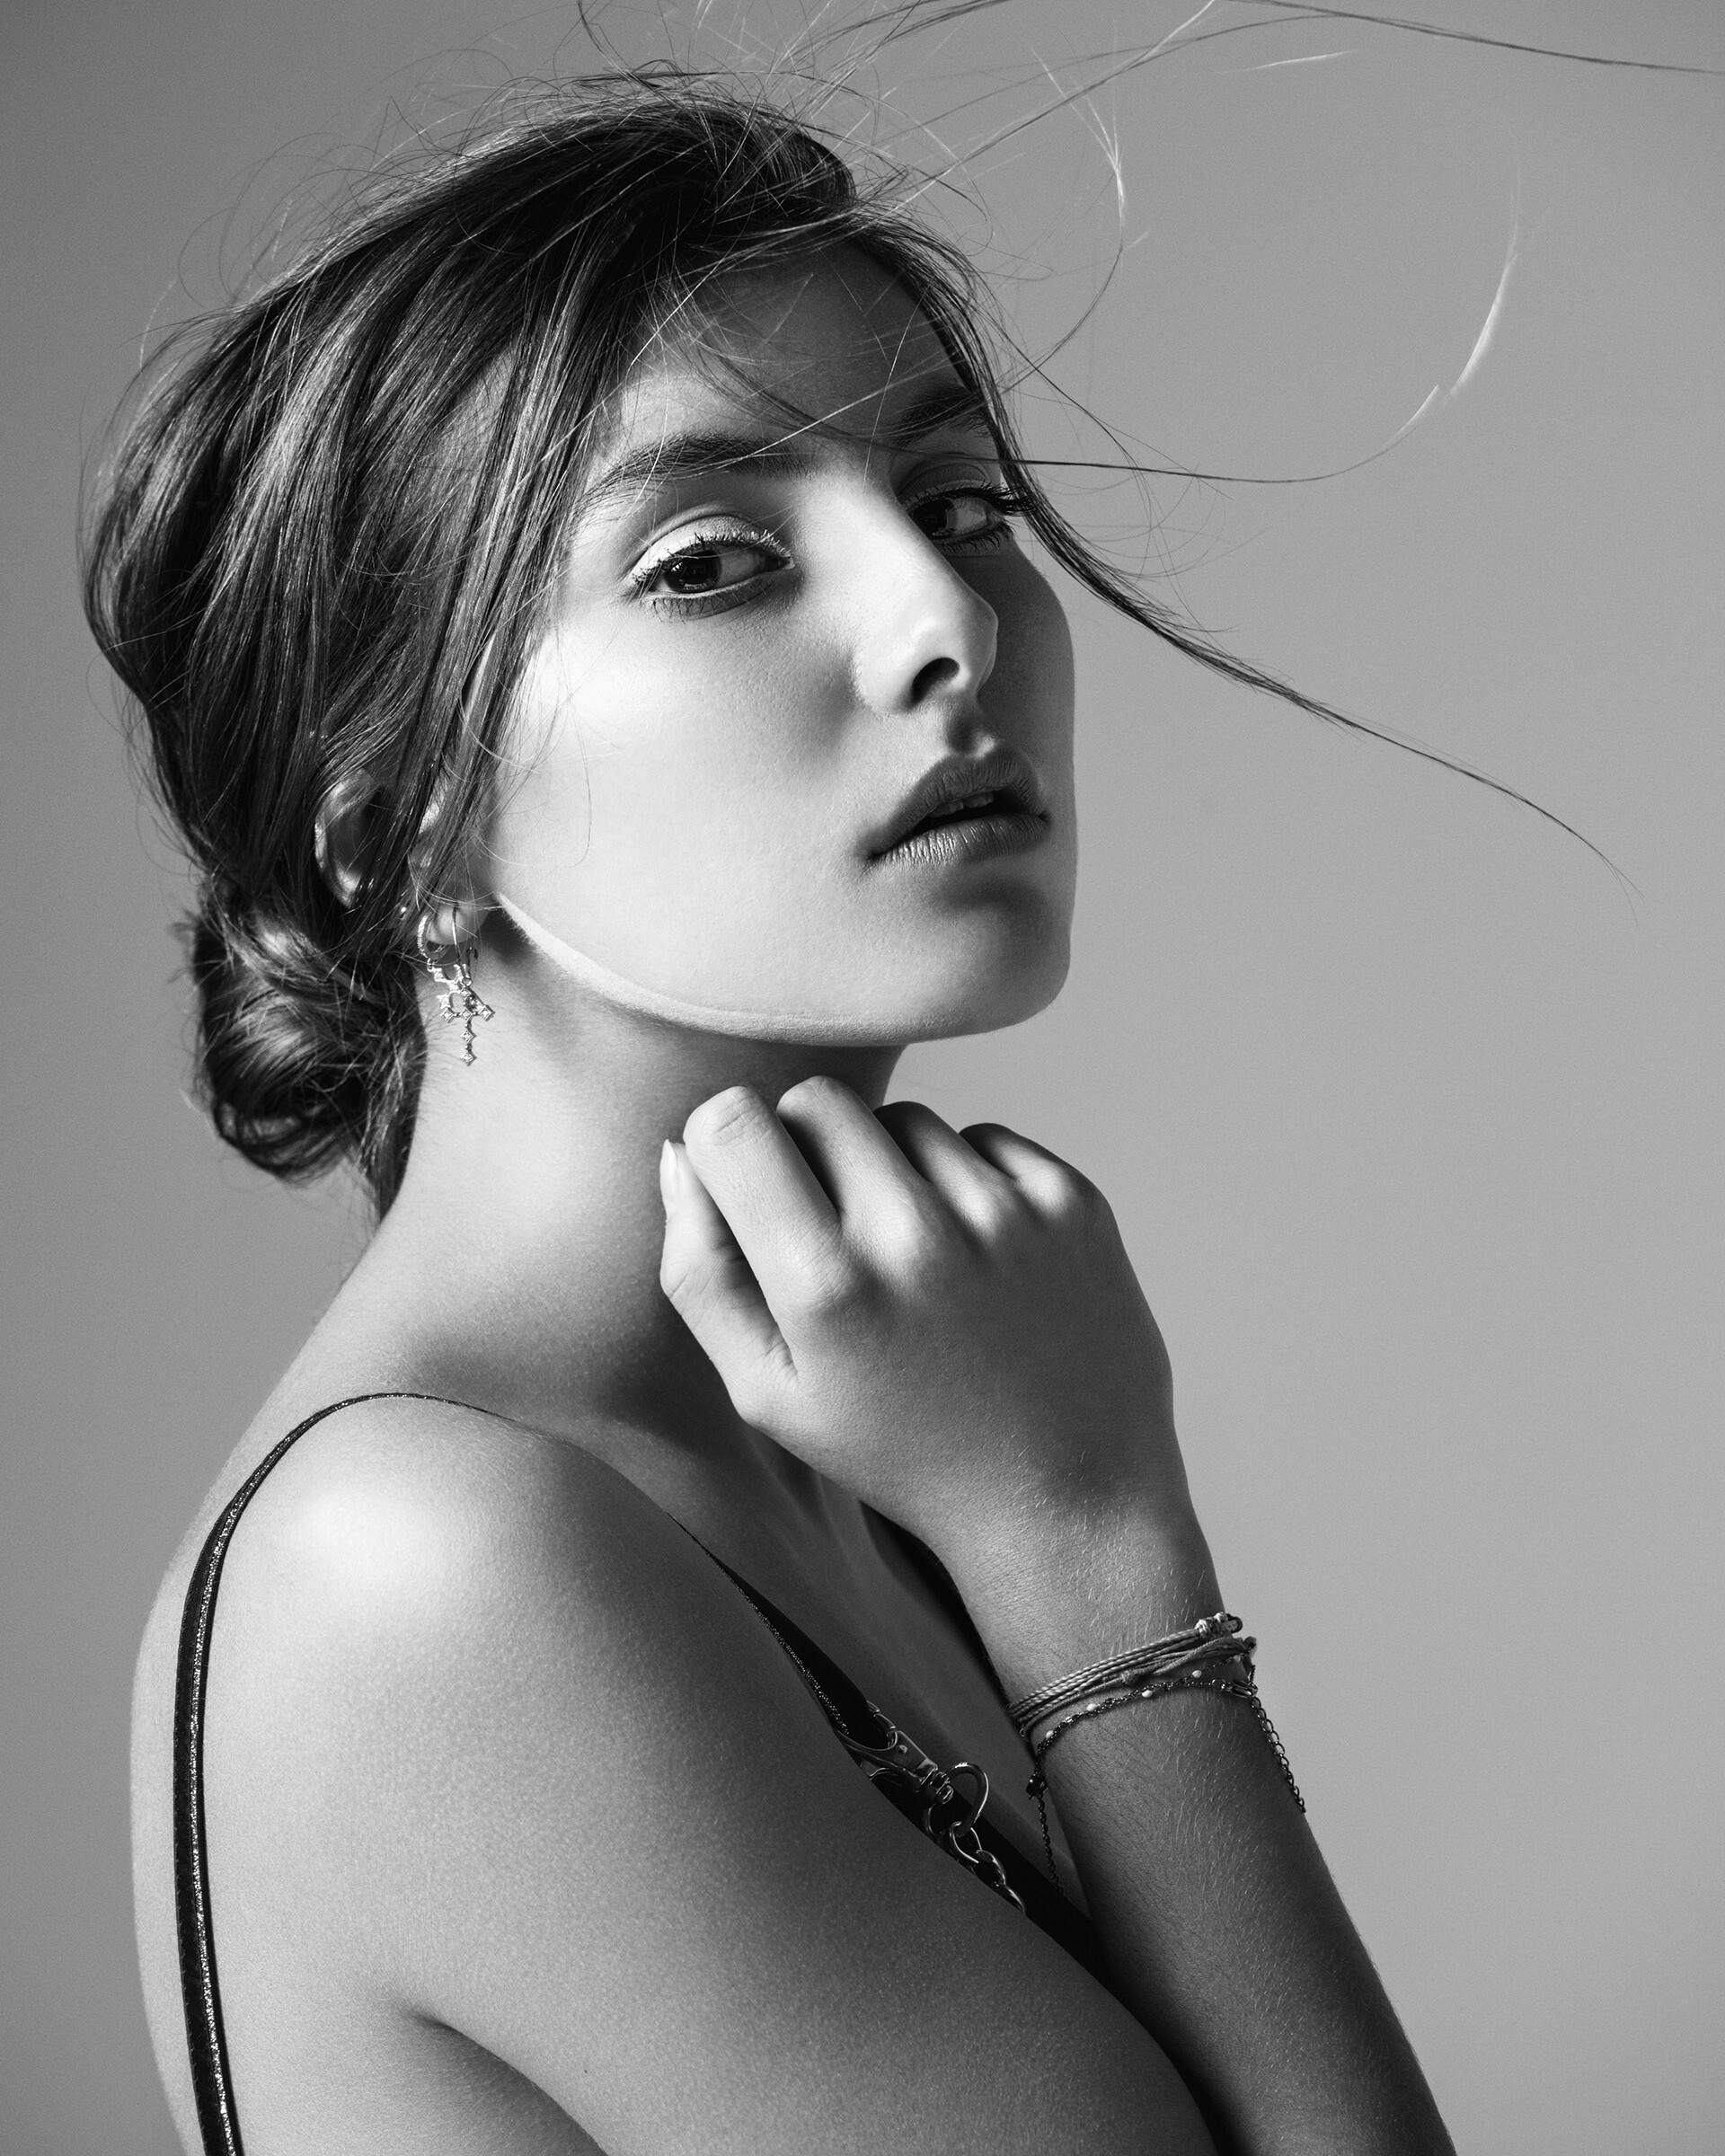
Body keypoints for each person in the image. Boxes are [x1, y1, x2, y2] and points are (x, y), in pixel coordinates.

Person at [84, 77, 1455, 2155]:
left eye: (964, 504)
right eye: (713, 560)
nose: (947, 619)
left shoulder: (861, 1443)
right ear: (402, 828)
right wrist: (1093, 1548)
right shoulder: (420, 1568)